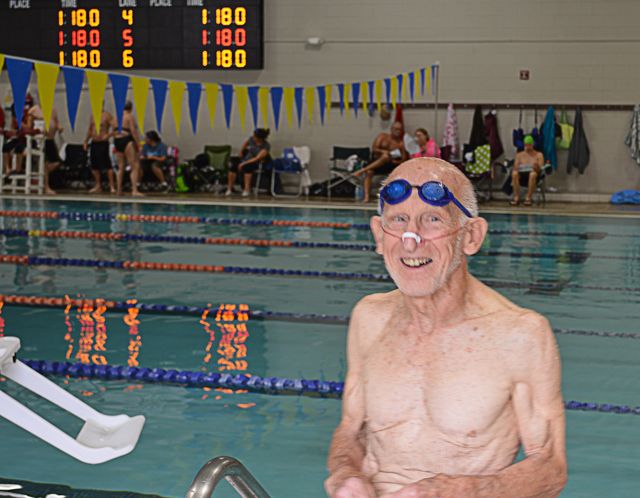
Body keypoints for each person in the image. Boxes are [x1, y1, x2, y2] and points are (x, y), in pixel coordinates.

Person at [325, 158, 567, 498]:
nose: (411, 241)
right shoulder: (369, 319)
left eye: (432, 220)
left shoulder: (520, 335)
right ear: (380, 235)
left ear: (471, 236)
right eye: (399, 221)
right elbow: (351, 430)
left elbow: (550, 467)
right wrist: (345, 473)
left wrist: (459, 491)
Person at [354, 121, 408, 203]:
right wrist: (383, 152)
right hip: (376, 161)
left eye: (400, 130)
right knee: (369, 172)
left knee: (386, 157)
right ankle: (367, 196)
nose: (398, 131)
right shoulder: (382, 137)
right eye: (396, 129)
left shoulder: (401, 143)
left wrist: (394, 161)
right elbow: (374, 149)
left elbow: (404, 159)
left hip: (389, 165)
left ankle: (362, 170)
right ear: (391, 129)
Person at [26, 102, 62, 195]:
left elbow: (56, 121)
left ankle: (40, 175)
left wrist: (59, 127)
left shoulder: (53, 109)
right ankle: (46, 187)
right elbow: (29, 127)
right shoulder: (34, 110)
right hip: (40, 140)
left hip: (50, 139)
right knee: (44, 162)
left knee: (56, 162)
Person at [225, 128, 271, 197]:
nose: (253, 137)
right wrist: (241, 151)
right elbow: (245, 143)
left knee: (247, 167)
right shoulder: (252, 139)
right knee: (233, 167)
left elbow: (257, 158)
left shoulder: (266, 146)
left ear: (260, 138)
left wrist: (243, 163)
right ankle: (229, 189)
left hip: (257, 162)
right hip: (246, 160)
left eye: (255, 136)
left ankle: (247, 190)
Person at [113, 101, 143, 196]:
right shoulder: (129, 116)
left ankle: (118, 190)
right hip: (127, 140)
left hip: (117, 141)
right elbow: (133, 131)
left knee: (121, 167)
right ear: (131, 108)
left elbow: (113, 131)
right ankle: (134, 190)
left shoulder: (115, 117)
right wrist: (139, 144)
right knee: (135, 165)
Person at [84, 107, 116, 194]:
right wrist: (86, 141)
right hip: (94, 142)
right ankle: (98, 186)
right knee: (94, 165)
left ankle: (112, 186)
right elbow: (90, 130)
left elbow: (116, 127)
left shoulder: (107, 115)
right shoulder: (93, 115)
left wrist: (108, 135)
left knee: (107, 165)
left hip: (103, 143)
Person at [511, 135, 545, 207]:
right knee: (514, 174)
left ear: (533, 144)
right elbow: (515, 167)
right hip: (522, 176)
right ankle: (516, 197)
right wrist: (517, 167)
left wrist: (537, 167)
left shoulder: (539, 155)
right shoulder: (519, 155)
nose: (527, 147)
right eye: (526, 145)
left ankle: (528, 197)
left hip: (535, 176)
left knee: (532, 174)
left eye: (529, 145)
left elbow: (541, 168)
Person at [2, 105, 27, 178]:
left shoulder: (26, 116)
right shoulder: (14, 119)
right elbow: (13, 129)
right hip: (16, 138)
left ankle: (18, 168)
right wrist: (11, 132)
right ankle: (7, 168)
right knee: (5, 147)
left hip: (25, 138)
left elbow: (28, 128)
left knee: (19, 147)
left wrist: (21, 126)